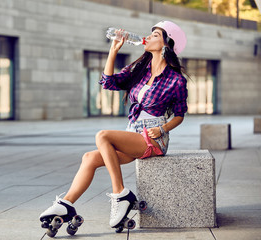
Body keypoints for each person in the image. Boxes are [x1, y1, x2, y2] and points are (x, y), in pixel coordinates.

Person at [39, 20, 188, 231]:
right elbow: (108, 82)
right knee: (89, 158)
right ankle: (66, 205)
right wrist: (113, 50)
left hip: (154, 138)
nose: (149, 36)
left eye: (156, 34)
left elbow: (180, 115)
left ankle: (120, 194)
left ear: (167, 44)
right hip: (133, 135)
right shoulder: (140, 69)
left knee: (103, 135)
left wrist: (163, 129)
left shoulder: (176, 80)